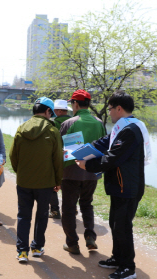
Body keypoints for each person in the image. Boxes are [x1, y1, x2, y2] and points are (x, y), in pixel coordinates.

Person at [76, 90, 150, 279]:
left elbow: (112, 158)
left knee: (123, 226)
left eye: (110, 109)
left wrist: (88, 164)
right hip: (120, 185)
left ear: (119, 108)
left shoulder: (131, 131)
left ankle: (128, 267)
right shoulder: (123, 128)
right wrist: (81, 151)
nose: (108, 112)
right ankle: (118, 258)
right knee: (115, 224)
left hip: (128, 186)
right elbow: (105, 143)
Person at [10, 97, 62, 263]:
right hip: (45, 183)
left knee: (23, 216)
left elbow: (13, 155)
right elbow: (58, 160)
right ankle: (37, 247)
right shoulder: (53, 131)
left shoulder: (21, 128)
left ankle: (22, 251)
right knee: (42, 215)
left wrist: (21, 172)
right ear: (47, 111)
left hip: (24, 181)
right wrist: (57, 180)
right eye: (50, 113)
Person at [60, 90, 106, 255]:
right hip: (92, 174)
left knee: (69, 208)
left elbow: (64, 152)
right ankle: (90, 236)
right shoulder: (99, 123)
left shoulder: (70, 123)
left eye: (72, 103)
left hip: (71, 173)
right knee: (87, 204)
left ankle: (72, 243)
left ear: (76, 104)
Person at [48, 99, 72, 220]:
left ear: (57, 110)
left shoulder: (55, 123)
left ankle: (55, 210)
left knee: (54, 184)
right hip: (71, 156)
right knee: (68, 185)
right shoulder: (74, 122)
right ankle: (71, 209)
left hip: (57, 157)